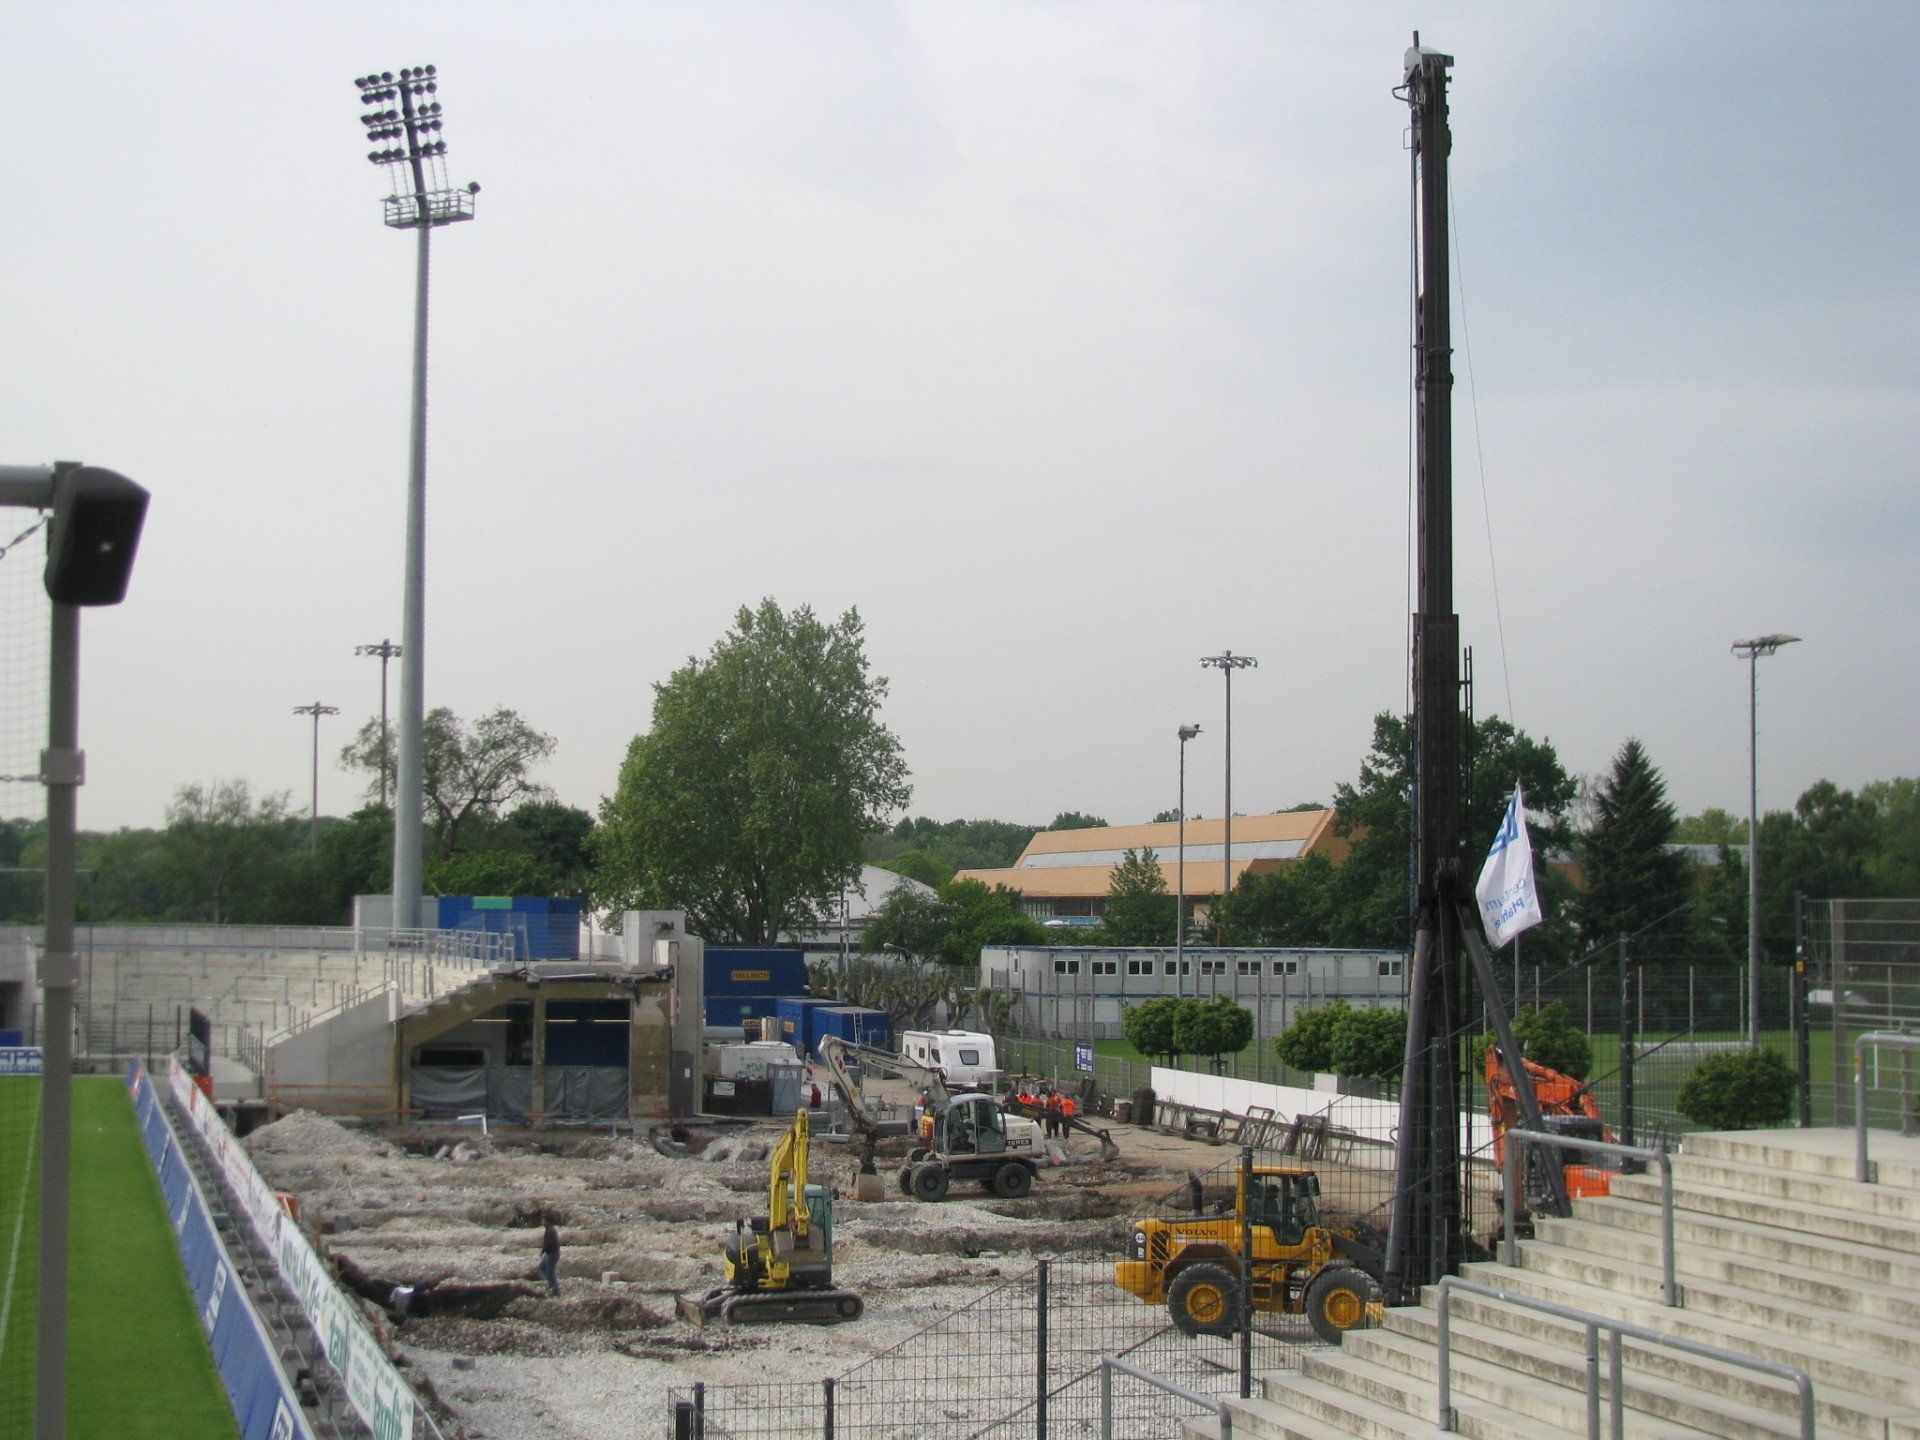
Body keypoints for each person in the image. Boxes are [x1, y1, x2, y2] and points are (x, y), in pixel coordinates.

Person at [538, 1212, 561, 1296]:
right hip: (549, 1253)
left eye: (543, 1220)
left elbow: (551, 1243)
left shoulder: (551, 1230)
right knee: (542, 1267)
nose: (542, 1222)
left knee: (550, 1271)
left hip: (552, 1254)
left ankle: (555, 1290)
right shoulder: (549, 1229)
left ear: (547, 1221)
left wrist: (544, 1250)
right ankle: (551, 1284)